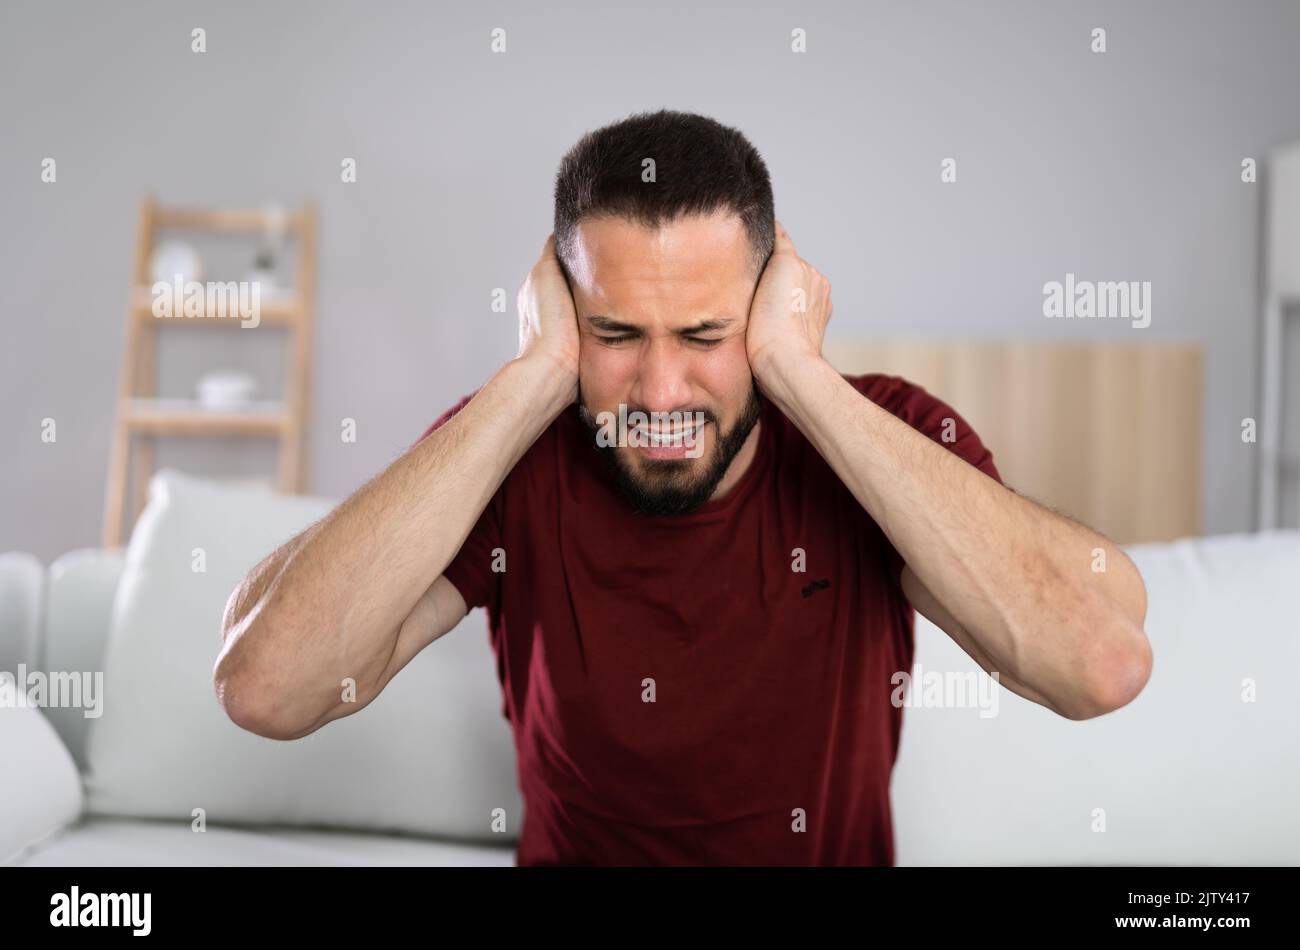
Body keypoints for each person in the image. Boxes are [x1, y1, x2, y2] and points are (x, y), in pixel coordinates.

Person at [214, 109, 1151, 866]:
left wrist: (801, 375)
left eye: (707, 337)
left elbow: (1100, 664)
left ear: (774, 303)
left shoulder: (882, 436)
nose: (661, 393)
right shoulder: (511, 451)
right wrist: (538, 376)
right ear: (562, 313)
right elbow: (265, 689)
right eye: (615, 336)